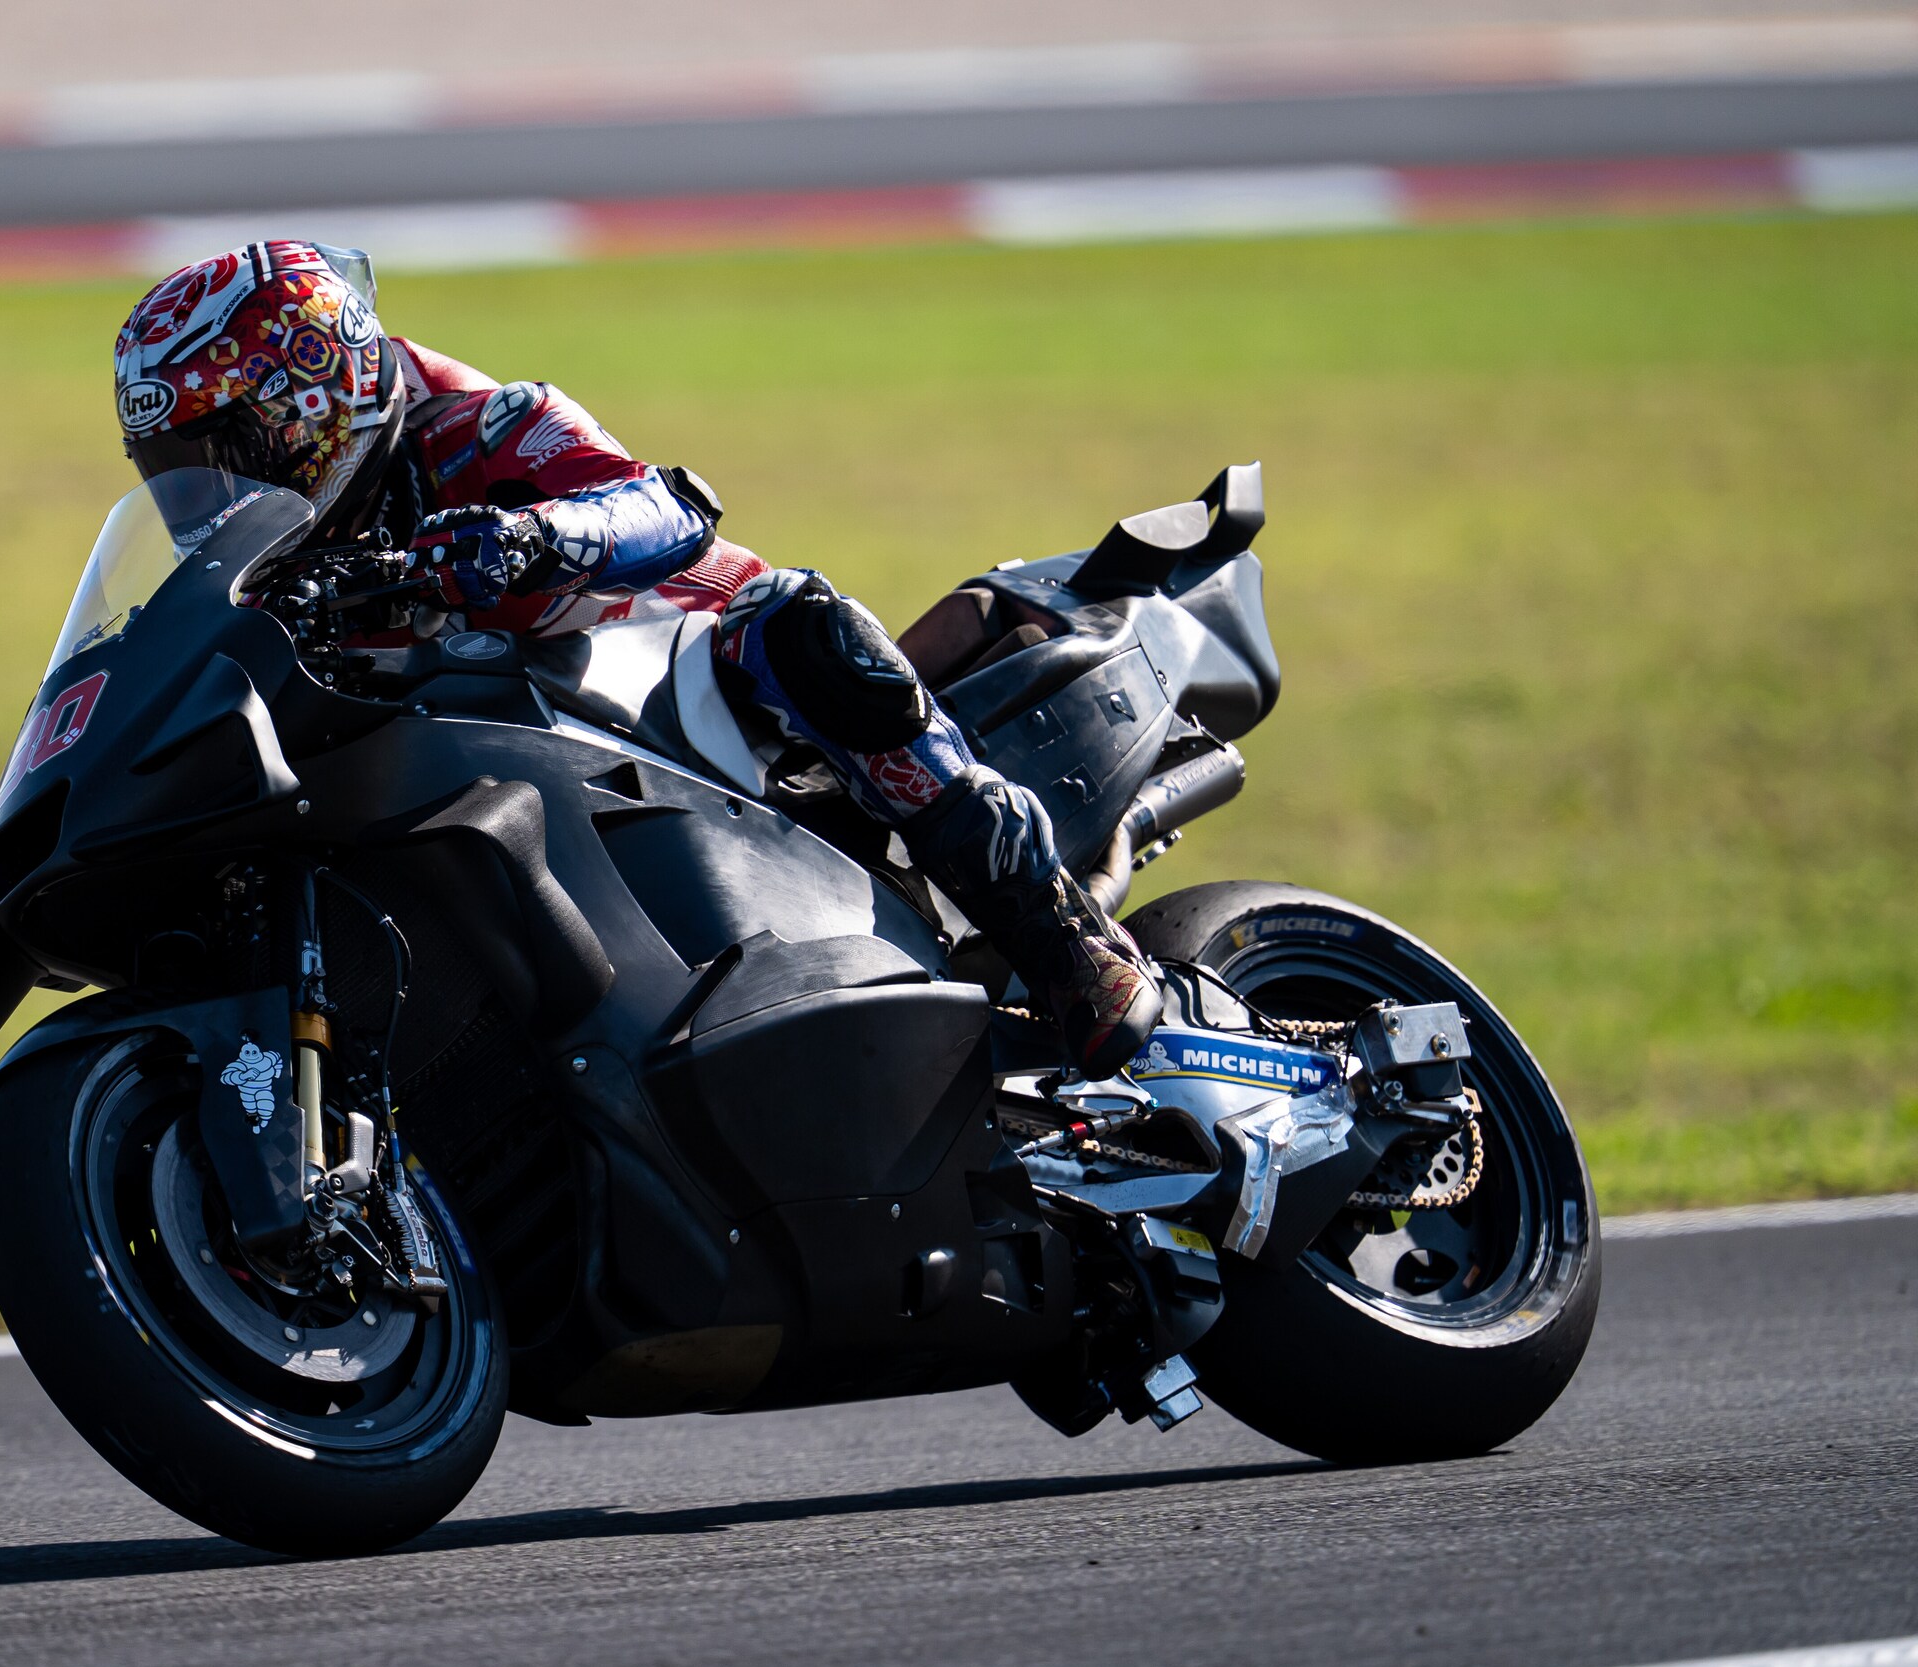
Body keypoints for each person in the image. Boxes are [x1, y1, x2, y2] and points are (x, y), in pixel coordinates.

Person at [112, 240, 1161, 1077]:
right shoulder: (279, 565)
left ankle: (1066, 945)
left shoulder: (488, 427)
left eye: (222, 457)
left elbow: (670, 509)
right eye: (170, 475)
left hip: (693, 705)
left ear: (312, 396)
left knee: (799, 626)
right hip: (511, 797)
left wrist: (520, 540)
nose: (200, 500)